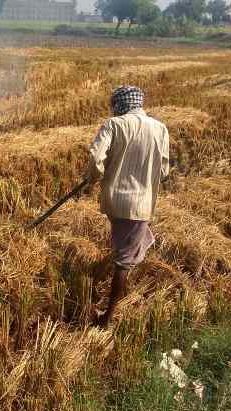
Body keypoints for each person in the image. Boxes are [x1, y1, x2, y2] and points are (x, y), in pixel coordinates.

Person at [87, 85, 170, 327]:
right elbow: (163, 170)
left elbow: (95, 158)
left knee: (136, 241)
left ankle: (123, 278)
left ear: (118, 104)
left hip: (115, 200)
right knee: (125, 257)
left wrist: (95, 176)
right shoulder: (160, 128)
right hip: (140, 203)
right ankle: (107, 317)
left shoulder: (114, 125)